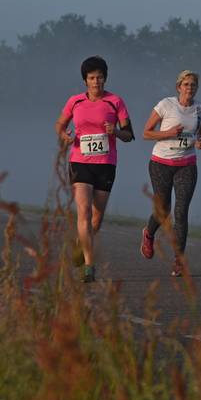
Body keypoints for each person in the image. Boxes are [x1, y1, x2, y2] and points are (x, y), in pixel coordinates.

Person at [54, 56, 134, 283]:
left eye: (100, 77)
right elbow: (59, 124)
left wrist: (115, 131)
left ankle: (82, 245)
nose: (96, 82)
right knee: (84, 211)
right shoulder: (75, 101)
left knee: (97, 219)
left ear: (105, 78)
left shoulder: (115, 102)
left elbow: (129, 135)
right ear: (85, 80)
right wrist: (64, 135)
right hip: (80, 162)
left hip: (106, 165)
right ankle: (89, 266)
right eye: (91, 78)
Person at [139, 70, 201, 277]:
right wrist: (168, 133)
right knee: (164, 209)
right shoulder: (166, 105)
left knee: (181, 211)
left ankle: (179, 260)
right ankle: (149, 233)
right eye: (186, 84)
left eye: (193, 85)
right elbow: (146, 132)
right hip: (161, 162)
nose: (189, 88)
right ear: (179, 87)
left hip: (186, 164)